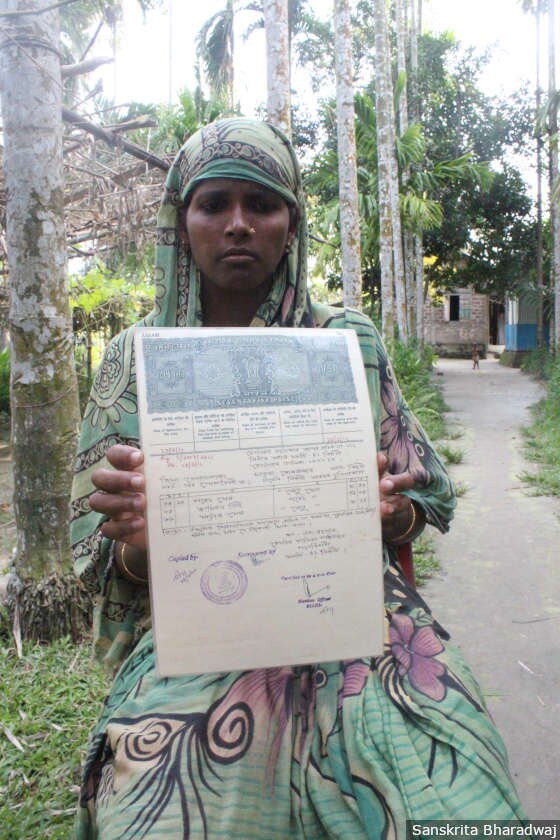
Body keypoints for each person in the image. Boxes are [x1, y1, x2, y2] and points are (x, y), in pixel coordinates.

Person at [71, 118, 525, 839]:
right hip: (198, 633)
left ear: (292, 222)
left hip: (361, 625)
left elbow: (427, 495)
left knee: (459, 801)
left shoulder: (345, 341)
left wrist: (386, 509)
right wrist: (135, 535)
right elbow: (104, 561)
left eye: (262, 204)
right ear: (182, 221)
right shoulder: (135, 358)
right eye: (213, 203)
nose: (238, 224)